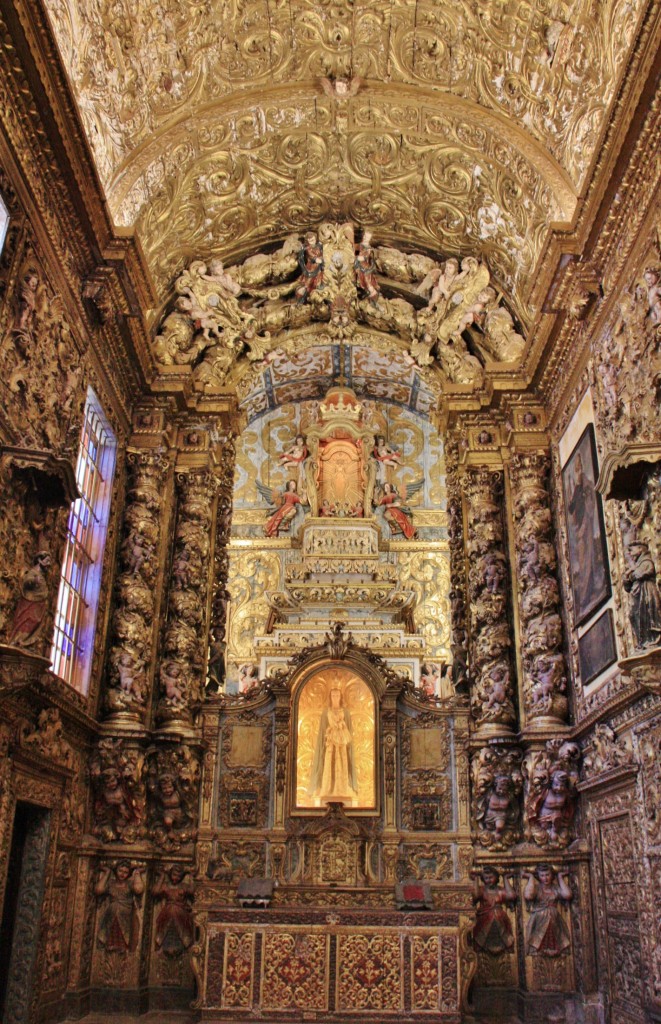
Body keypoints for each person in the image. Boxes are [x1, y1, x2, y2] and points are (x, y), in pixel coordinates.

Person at [307, 687, 357, 805]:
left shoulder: (345, 712)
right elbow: (322, 730)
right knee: (329, 764)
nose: (335, 698)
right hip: (330, 743)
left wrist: (342, 726)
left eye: (337, 696)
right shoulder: (326, 712)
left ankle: (342, 788)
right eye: (333, 696)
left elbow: (349, 729)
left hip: (342, 743)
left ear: (340, 697)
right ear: (330, 697)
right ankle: (328, 788)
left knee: (342, 763)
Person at [566, 452, 601, 619]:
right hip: (580, 528)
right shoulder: (578, 486)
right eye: (575, 467)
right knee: (582, 559)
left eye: (578, 465)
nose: (577, 469)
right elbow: (571, 508)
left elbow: (590, 503)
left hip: (585, 528)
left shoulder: (586, 483)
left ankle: (588, 592)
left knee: (587, 557)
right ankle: (585, 594)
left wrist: (585, 524)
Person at [95, 862, 144, 953]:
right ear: (115, 870)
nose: (122, 874)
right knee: (109, 932)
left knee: (124, 934)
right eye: (120, 871)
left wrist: (137, 873)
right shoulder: (111, 883)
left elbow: (139, 889)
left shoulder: (129, 884)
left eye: (125, 872)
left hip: (125, 916)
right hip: (111, 914)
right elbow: (99, 890)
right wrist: (107, 873)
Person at [524, 864, 572, 956]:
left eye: (547, 875)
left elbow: (567, 895)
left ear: (552, 875)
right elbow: (528, 895)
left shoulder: (555, 888)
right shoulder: (537, 888)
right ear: (538, 876)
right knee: (538, 938)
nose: (545, 878)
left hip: (554, 919)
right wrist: (530, 878)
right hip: (539, 919)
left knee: (557, 935)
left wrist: (560, 878)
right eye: (542, 875)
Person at [472, 867, 516, 954]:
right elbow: (475, 896)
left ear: (496, 877)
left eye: (491, 877)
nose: (489, 880)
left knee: (496, 915)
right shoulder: (482, 890)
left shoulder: (499, 890)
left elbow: (511, 896)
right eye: (486, 878)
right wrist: (476, 879)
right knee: (491, 916)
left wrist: (505, 879)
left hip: (499, 916)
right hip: (485, 915)